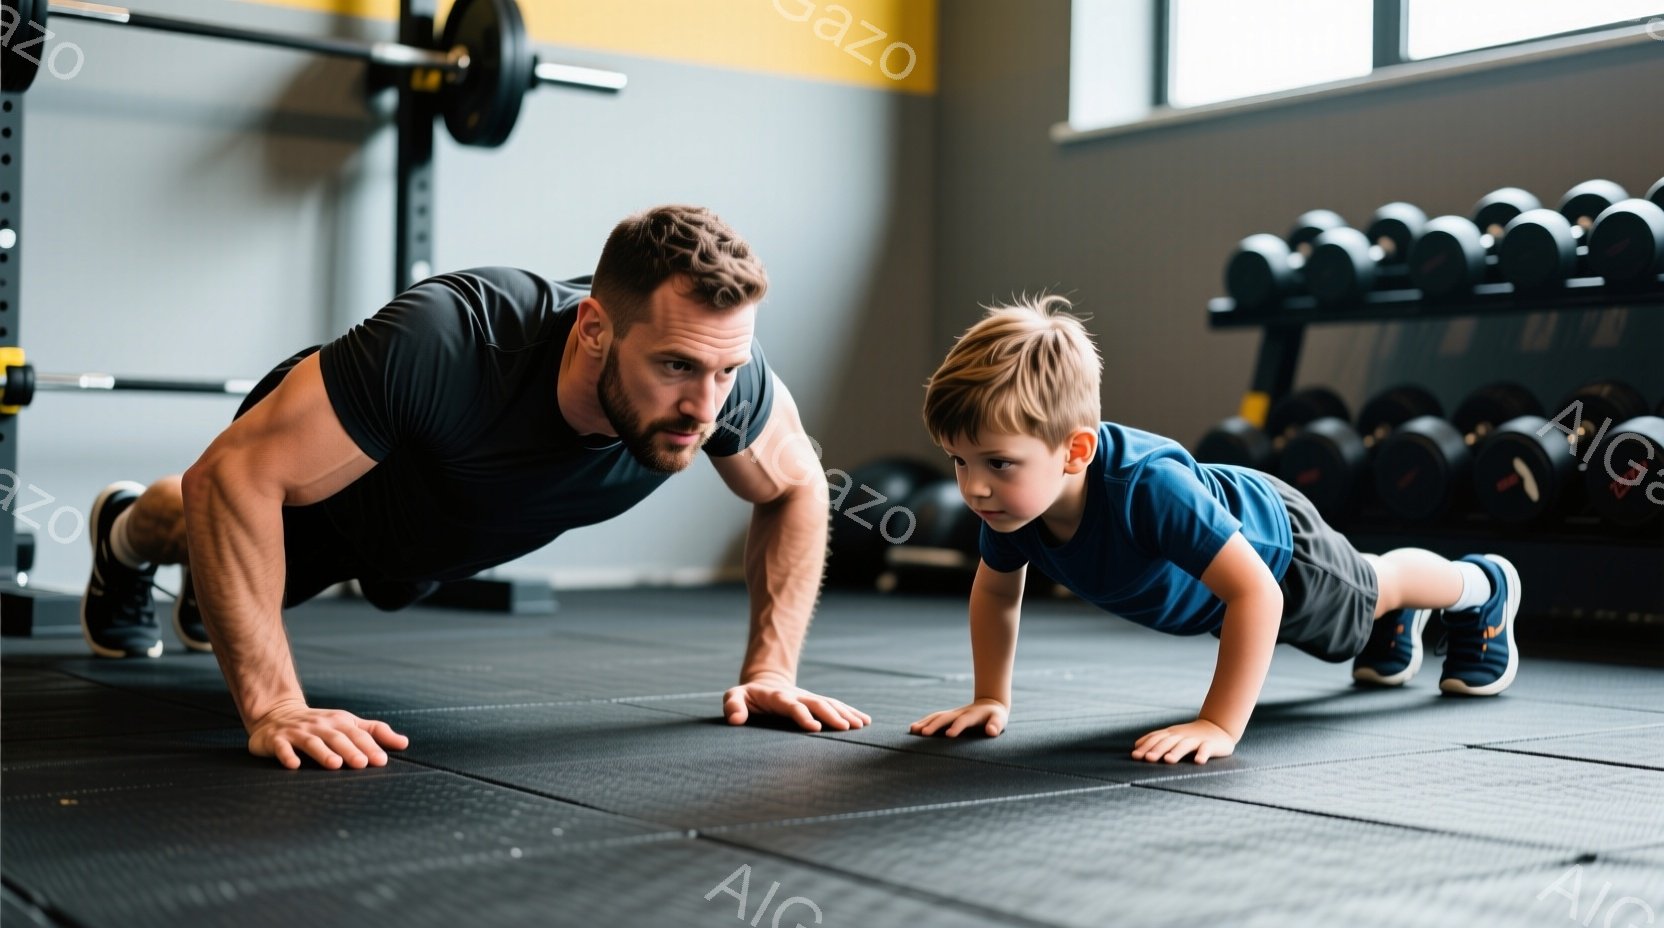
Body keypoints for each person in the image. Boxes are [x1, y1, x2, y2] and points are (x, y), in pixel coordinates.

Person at [80, 204, 870, 770]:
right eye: (674, 368)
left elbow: (794, 485)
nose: (705, 405)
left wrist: (771, 670)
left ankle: (217, 591)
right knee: (199, 518)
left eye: (726, 370)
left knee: (278, 587)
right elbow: (231, 477)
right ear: (595, 329)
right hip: (331, 501)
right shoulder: (451, 341)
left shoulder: (722, 376)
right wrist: (276, 705)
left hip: (439, 537)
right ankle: (124, 534)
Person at [907, 295, 1520, 764]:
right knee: (1359, 616)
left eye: (997, 463)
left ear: (1075, 451)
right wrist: (991, 697)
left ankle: (1481, 586)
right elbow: (994, 593)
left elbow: (1256, 593)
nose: (973, 488)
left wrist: (1219, 725)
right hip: (1229, 583)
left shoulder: (1147, 491)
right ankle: (1392, 622)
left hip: (1279, 554)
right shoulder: (1014, 506)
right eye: (959, 461)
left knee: (1374, 585)